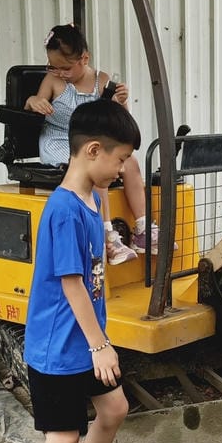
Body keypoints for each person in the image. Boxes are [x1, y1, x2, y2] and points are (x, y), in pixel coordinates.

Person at [1, 99, 139, 443]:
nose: (123, 169)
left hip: (84, 340)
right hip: (60, 348)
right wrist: (100, 344)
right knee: (61, 438)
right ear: (94, 151)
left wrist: (119, 247)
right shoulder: (61, 209)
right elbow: (72, 282)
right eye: (120, 159)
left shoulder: (93, 197)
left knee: (115, 408)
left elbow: (93, 256)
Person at [25, 25, 161, 265]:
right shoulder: (53, 80)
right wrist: (33, 100)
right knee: (95, 167)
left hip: (94, 143)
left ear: (84, 58)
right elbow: (34, 104)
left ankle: (143, 229)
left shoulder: (102, 81)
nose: (59, 72)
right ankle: (108, 236)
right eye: (53, 66)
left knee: (130, 162)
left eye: (65, 67)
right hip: (59, 140)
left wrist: (121, 103)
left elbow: (117, 123)